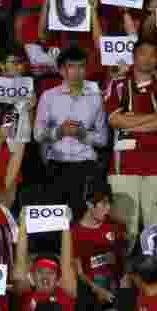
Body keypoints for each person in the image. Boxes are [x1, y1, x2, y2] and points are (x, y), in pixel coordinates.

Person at [104, 40, 157, 244]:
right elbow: (114, 120)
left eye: (153, 55)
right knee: (125, 229)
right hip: (125, 164)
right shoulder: (118, 85)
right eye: (143, 53)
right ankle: (123, 274)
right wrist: (153, 119)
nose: (148, 58)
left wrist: (131, 124)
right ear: (133, 57)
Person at [33, 45, 108, 208]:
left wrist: (82, 134)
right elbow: (38, 135)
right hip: (57, 165)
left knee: (82, 216)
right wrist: (60, 131)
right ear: (61, 70)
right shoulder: (48, 97)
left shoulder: (96, 98)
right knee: (56, 220)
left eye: (81, 66)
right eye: (71, 66)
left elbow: (103, 139)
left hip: (86, 164)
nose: (76, 71)